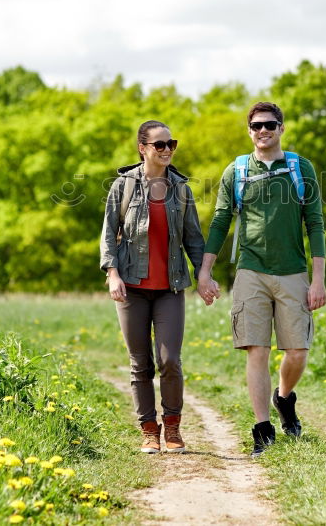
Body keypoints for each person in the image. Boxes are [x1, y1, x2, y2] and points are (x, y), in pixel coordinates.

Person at [197, 101, 326, 457]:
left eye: (270, 124)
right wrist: (205, 271)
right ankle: (262, 428)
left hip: (294, 271)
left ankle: (284, 400)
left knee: (297, 351)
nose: (263, 131)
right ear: (250, 131)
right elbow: (220, 222)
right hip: (250, 271)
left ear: (282, 128)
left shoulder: (301, 169)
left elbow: (315, 223)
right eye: (256, 126)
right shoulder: (236, 171)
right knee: (257, 349)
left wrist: (318, 280)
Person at [100, 120, 206, 454]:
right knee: (140, 362)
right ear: (143, 149)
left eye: (171, 144)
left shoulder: (181, 188)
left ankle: (172, 427)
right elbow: (108, 234)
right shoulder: (123, 186)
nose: (167, 150)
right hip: (131, 286)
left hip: (170, 287)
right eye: (159, 144)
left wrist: (205, 275)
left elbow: (193, 237)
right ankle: (149, 430)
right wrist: (112, 274)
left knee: (170, 360)